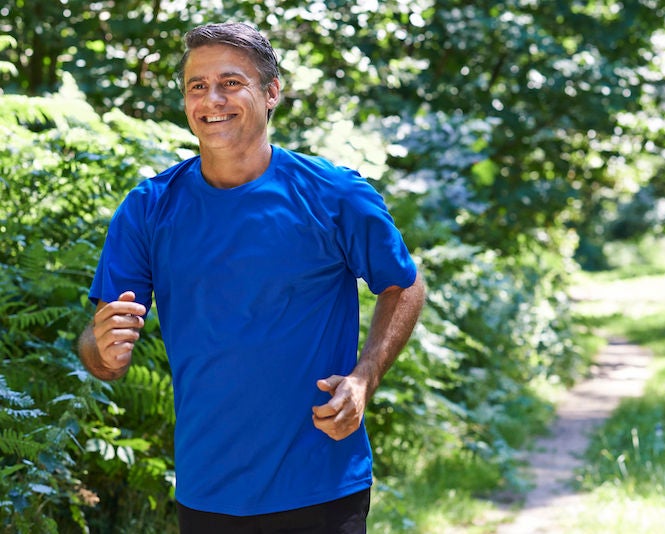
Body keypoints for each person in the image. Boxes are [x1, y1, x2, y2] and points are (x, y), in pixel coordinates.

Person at [78, 21, 425, 533]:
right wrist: (101, 348)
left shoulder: (334, 195)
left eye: (230, 82)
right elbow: (99, 354)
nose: (211, 98)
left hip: (322, 483)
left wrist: (365, 375)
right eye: (197, 86)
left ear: (271, 93)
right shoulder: (148, 208)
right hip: (207, 491)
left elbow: (404, 283)